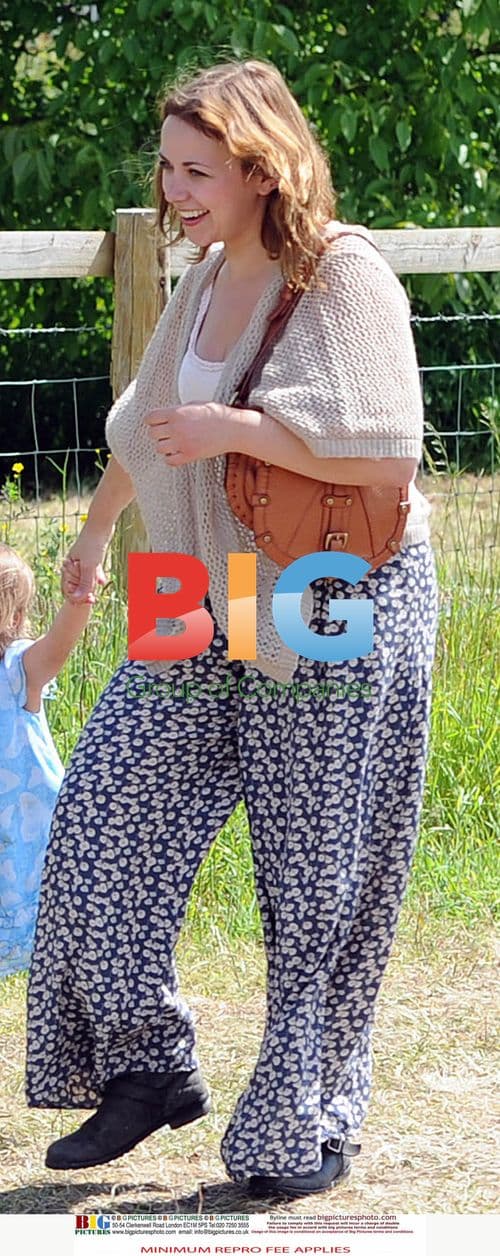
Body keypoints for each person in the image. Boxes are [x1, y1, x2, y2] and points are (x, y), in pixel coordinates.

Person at [25, 58, 438, 1199]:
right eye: (165, 166)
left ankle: (305, 1117)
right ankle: (149, 1065)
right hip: (196, 589)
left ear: (264, 167)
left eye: (196, 169)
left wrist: (238, 426)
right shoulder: (202, 276)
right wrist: (100, 533)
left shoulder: (342, 275)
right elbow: (148, 431)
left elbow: (385, 453)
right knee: (101, 811)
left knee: (314, 870)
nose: (173, 190)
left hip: (324, 592)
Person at [0, 544, 93, 978]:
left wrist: (79, 603)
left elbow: (56, 649)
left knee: (31, 908)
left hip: (25, 825)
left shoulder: (17, 670)